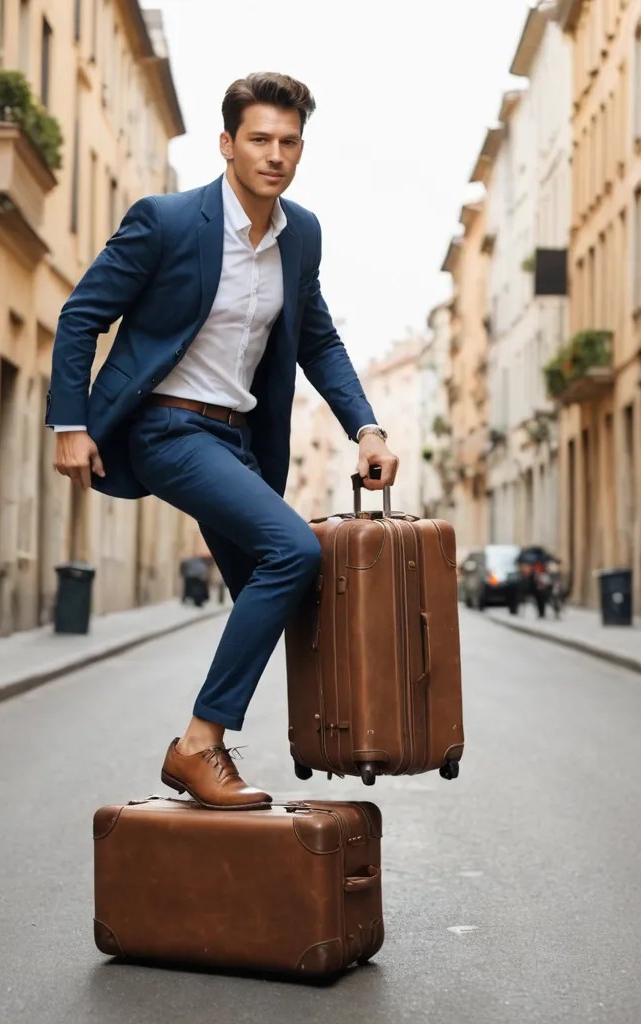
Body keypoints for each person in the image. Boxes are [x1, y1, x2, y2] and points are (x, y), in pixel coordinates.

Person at [46, 73, 398, 810]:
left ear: (301, 149)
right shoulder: (169, 221)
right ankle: (199, 744)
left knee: (285, 589)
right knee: (294, 550)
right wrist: (69, 424)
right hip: (167, 427)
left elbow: (319, 341)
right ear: (227, 144)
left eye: (289, 142)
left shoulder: (300, 234)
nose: (275, 155)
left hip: (238, 443)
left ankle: (328, 735)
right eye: (259, 139)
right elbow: (82, 315)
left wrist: (366, 429)